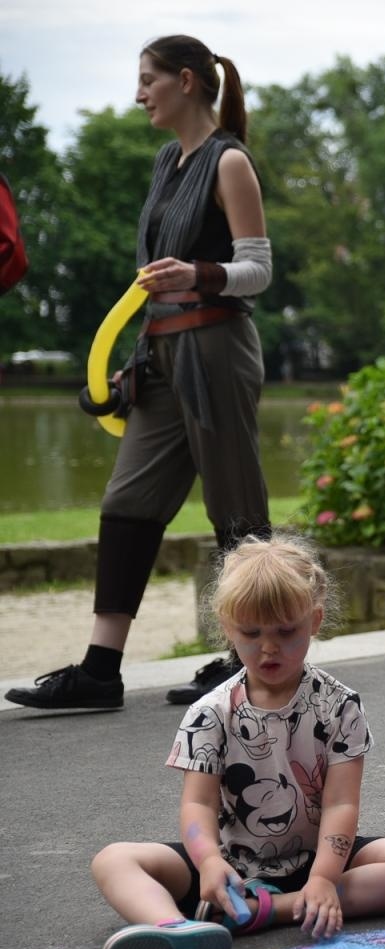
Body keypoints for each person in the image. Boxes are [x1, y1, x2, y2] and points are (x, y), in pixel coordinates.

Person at [6, 35, 274, 713]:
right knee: (126, 504)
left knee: (236, 511)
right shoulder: (166, 162)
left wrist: (199, 274)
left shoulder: (230, 161)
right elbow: (148, 284)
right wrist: (127, 370)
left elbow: (259, 270)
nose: (138, 95)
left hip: (216, 347)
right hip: (159, 352)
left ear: (185, 81)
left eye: (147, 81)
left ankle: (253, 660)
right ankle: (100, 670)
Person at [91, 534, 385, 949]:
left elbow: (340, 804)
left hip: (316, 860)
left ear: (313, 620)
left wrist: (324, 879)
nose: (269, 647)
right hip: (228, 871)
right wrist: (209, 863)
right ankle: (175, 929)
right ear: (228, 626)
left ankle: (268, 912)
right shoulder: (211, 711)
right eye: (252, 633)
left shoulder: (338, 705)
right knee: (113, 859)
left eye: (285, 631)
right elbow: (198, 805)